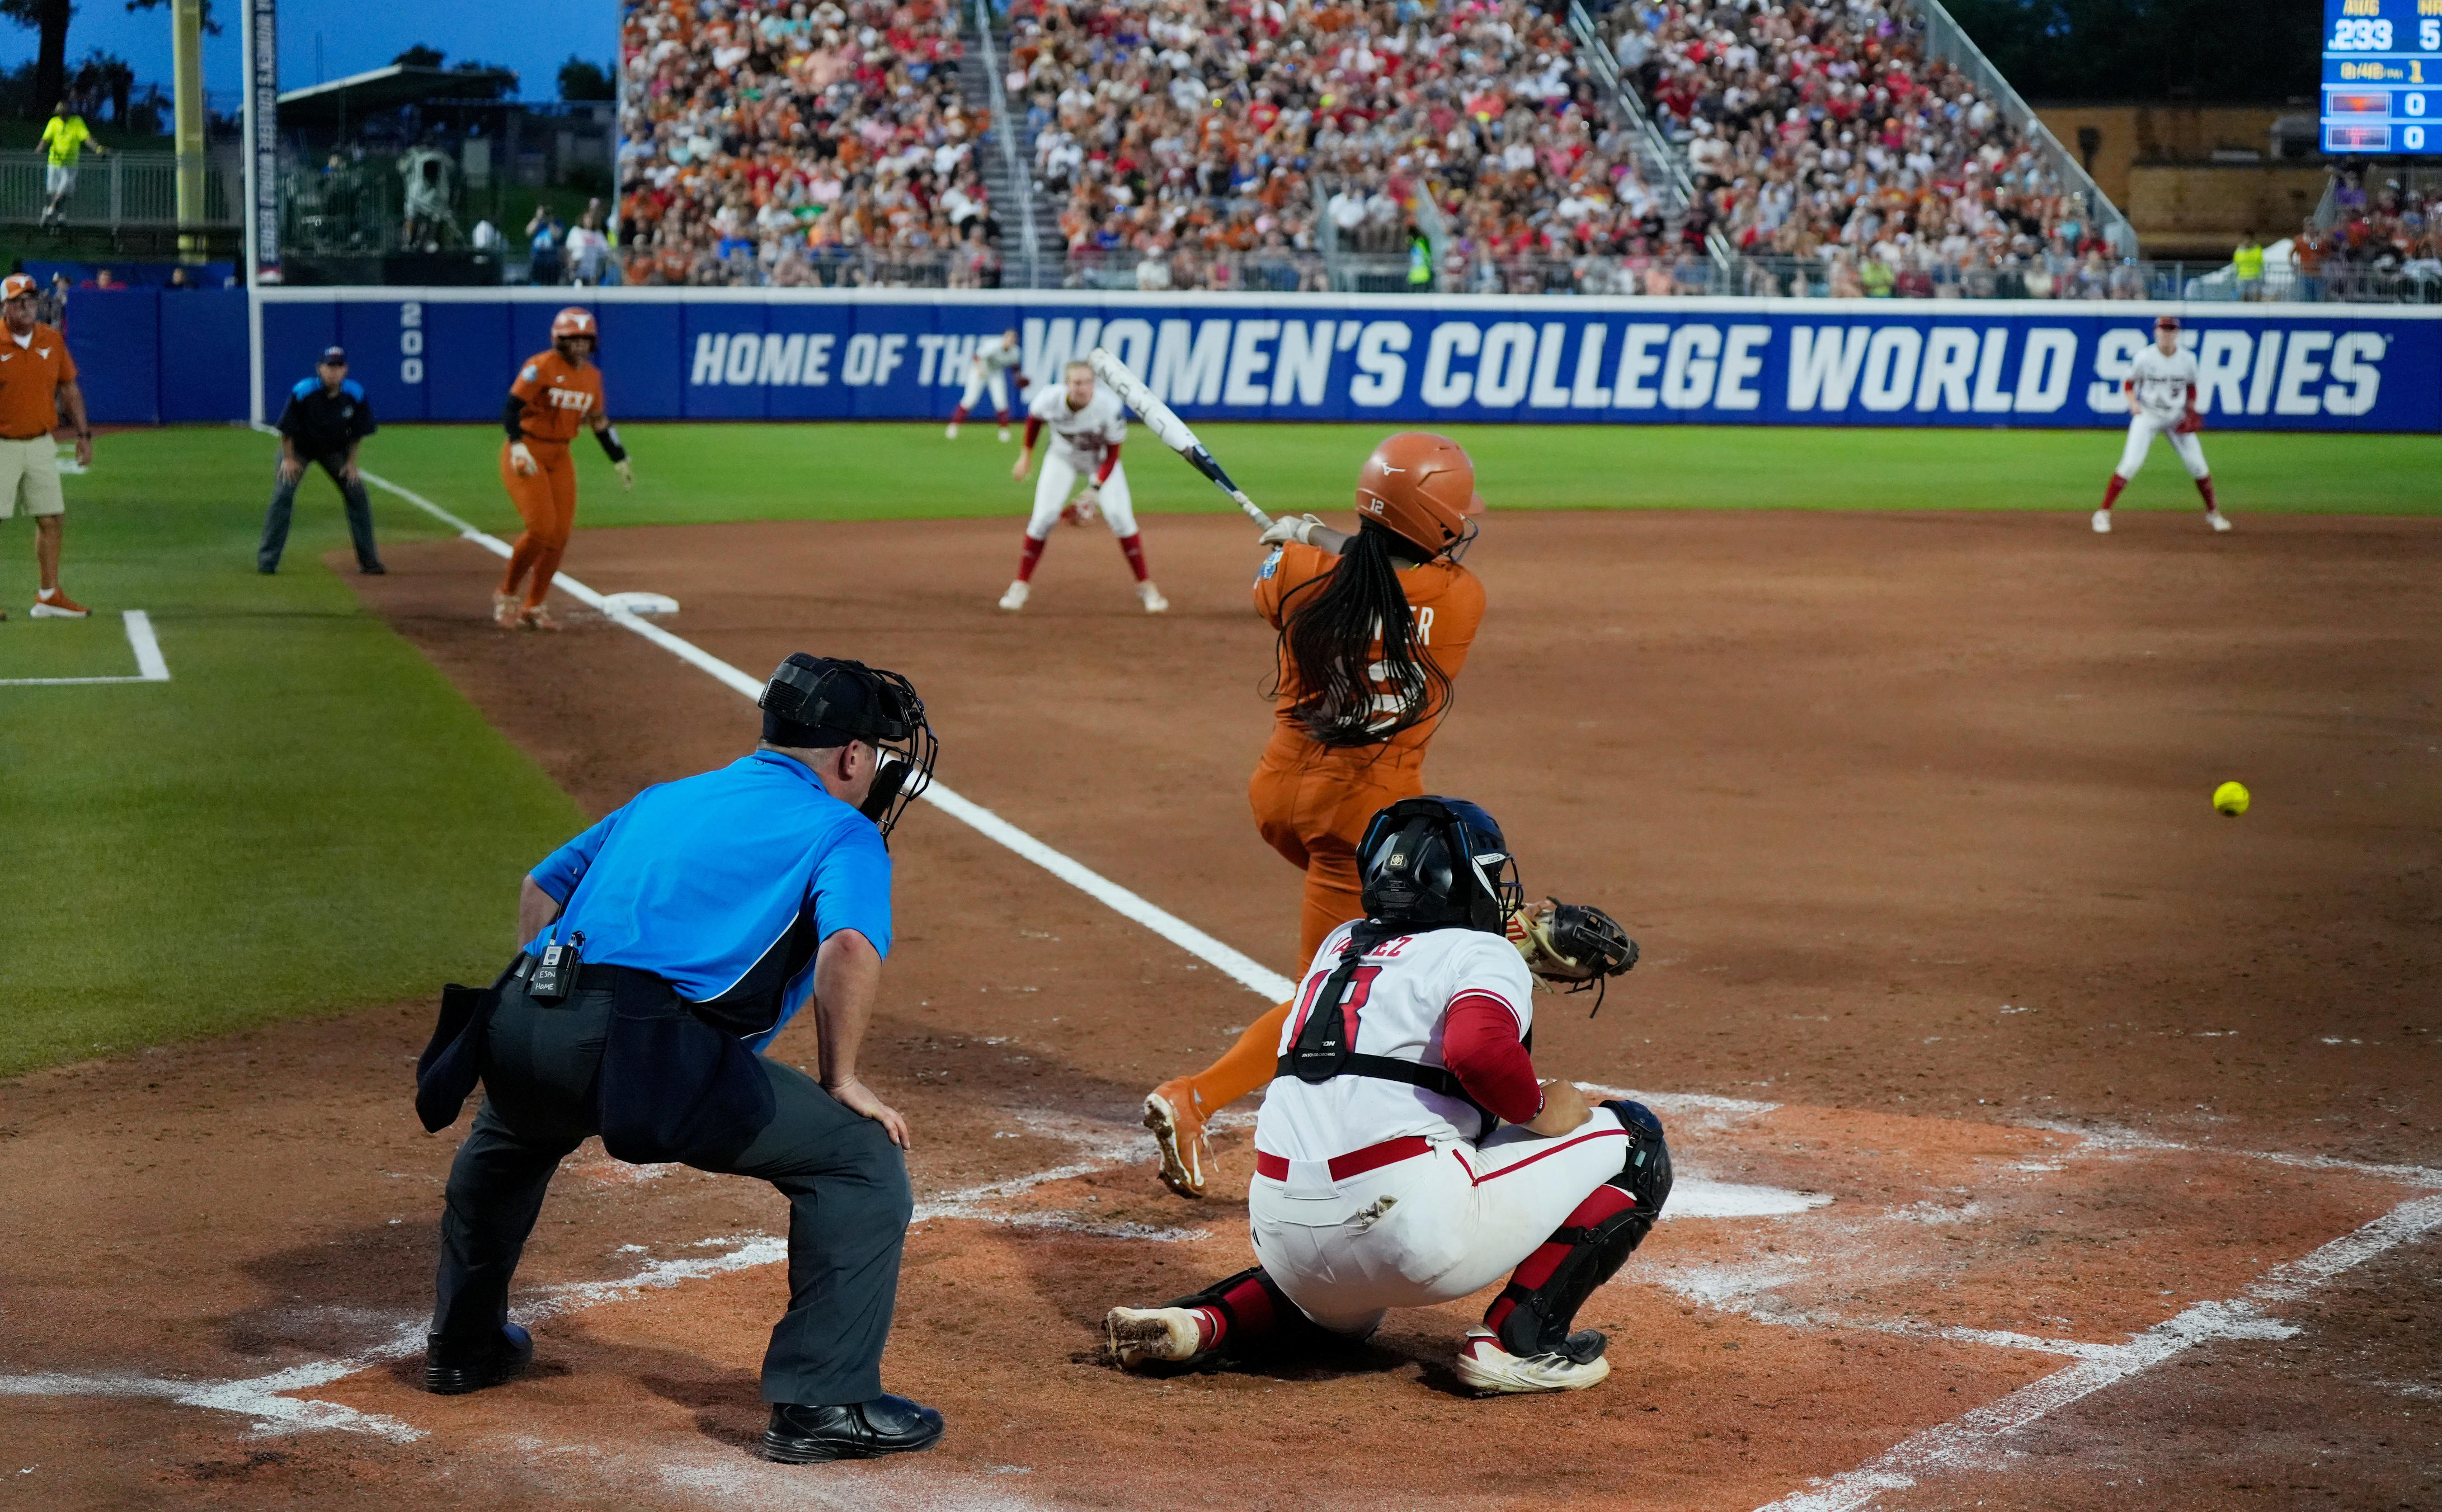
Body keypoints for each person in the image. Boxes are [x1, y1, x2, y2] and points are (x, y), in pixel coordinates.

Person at [416, 655, 948, 1464]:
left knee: (510, 1137)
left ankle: (462, 1344)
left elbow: (541, 886)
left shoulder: (666, 796)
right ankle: (823, 1402)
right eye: (875, 750)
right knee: (859, 1159)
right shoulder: (841, 829)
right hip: (638, 1042)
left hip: (519, 1010)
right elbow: (846, 942)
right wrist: (840, 1078)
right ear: (850, 756)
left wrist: (556, 1016)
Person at [1105, 796, 1663, 1395]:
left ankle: (1205, 1322)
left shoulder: (1339, 946)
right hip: (1410, 1232)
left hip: (1284, 1237)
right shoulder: (1484, 952)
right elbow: (1478, 1052)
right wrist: (1539, 1108)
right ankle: (1521, 1344)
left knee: (1336, 1306)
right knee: (1634, 1137)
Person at [1142, 434, 1488, 1197]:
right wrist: (1319, 537)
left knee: (1386, 944)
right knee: (1325, 991)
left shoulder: (1296, 576)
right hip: (1359, 819)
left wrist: (1300, 541)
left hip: (1280, 793)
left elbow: (1303, 580)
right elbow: (1396, 582)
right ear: (1431, 522)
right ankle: (1196, 1096)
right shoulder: (1460, 597)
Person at [493, 306, 633, 629]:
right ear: (559, 340)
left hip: (560, 455)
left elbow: (598, 421)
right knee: (540, 530)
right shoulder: (540, 366)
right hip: (527, 449)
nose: (580, 345)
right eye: (574, 339)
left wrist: (619, 457)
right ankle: (507, 592)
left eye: (585, 339)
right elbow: (511, 407)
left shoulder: (592, 377)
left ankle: (534, 605)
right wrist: (516, 445)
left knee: (559, 536)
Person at [998, 359, 1164, 614]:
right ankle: (1020, 585)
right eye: (1077, 382)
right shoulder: (1050, 399)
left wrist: (1094, 490)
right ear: (1067, 384)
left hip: (1100, 462)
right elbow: (1034, 421)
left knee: (1121, 518)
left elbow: (1113, 455)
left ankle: (1146, 586)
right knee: (1043, 519)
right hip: (1062, 458)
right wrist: (1026, 455)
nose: (1083, 388)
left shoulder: (1108, 407)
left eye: (1088, 382)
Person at [0, 272, 93, 620]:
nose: (26, 307)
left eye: (30, 300)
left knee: (52, 518)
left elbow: (69, 388)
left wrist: (84, 436)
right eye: (18, 301)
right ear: (4, 307)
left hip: (41, 441)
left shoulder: (51, 339)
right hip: (2, 444)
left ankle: (49, 595)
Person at [2093, 315, 2228, 535]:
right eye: (2163, 330)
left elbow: (2192, 387)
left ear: (2177, 334)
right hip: (2148, 414)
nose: (2167, 334)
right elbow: (2129, 383)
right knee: (2130, 465)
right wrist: (2133, 404)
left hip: (2176, 416)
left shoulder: (2187, 359)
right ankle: (2102, 514)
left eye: (2171, 330)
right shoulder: (2145, 358)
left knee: (2198, 466)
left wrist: (2191, 409)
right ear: (2156, 332)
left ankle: (2214, 514)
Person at [258, 345, 384, 575]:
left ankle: (369, 562)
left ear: (345, 369)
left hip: (334, 451)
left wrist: (351, 463)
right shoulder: (304, 391)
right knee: (282, 496)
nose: (333, 372)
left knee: (356, 492)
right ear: (320, 369)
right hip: (298, 449)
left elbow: (357, 433)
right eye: (329, 367)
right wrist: (288, 460)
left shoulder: (354, 393)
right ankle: (268, 561)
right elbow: (287, 430)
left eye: (338, 367)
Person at [945, 327, 1023, 440]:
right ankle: (953, 427)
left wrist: (1018, 377)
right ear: (1004, 337)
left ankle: (1004, 432)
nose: (1010, 340)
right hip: (980, 370)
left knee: (1001, 401)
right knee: (970, 400)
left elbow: (1015, 367)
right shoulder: (994, 345)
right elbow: (977, 357)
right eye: (1009, 337)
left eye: (1013, 338)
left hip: (996, 373)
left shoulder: (1015, 351)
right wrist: (980, 370)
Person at [37, 101, 104, 228]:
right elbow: (45, 139)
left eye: (63, 114)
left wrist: (97, 149)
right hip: (54, 162)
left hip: (70, 164)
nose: (61, 116)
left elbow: (87, 138)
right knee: (52, 190)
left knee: (63, 190)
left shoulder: (77, 122)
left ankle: (50, 211)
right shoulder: (53, 122)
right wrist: (39, 149)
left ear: (68, 113)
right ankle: (60, 215)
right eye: (59, 114)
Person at [527, 205, 566, 285]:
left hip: (552, 262)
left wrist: (549, 222)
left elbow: (557, 235)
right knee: (536, 284)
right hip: (538, 260)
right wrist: (538, 218)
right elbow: (529, 232)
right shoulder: (537, 224)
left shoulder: (557, 223)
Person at [2233, 234, 2265, 302]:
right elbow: (2236, 265)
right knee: (2244, 297)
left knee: (2256, 297)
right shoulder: (2239, 251)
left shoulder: (2257, 250)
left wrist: (2262, 276)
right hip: (2243, 277)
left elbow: (2261, 263)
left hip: (2255, 277)